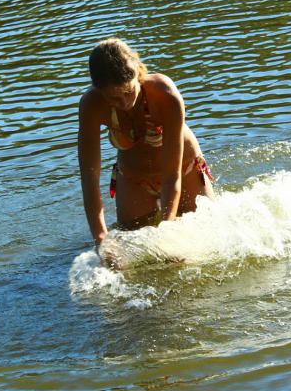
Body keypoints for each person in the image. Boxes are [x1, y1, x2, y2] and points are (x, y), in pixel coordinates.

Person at [77, 38, 214, 250]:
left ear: (138, 73)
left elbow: (171, 176)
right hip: (133, 179)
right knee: (130, 247)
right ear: (99, 90)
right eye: (114, 98)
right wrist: (101, 240)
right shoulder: (91, 106)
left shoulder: (165, 95)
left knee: (200, 238)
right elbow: (89, 179)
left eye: (128, 92)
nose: (124, 103)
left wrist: (168, 233)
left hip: (183, 171)